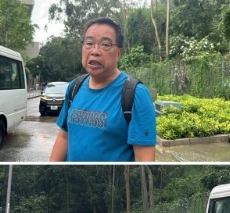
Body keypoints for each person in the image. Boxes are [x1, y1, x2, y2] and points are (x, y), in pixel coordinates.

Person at [49, 17, 156, 162]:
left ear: (118, 53)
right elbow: (64, 137)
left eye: (105, 45)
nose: (95, 51)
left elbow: (144, 159)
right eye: (89, 43)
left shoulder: (135, 94)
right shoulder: (74, 87)